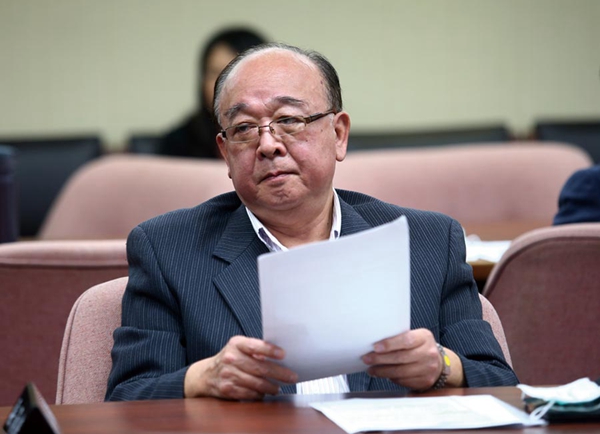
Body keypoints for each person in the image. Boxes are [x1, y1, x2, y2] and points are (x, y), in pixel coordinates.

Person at [106, 43, 518, 401]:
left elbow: (502, 384)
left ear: (339, 134)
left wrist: (442, 366)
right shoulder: (168, 249)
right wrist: (202, 378)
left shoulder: (429, 241)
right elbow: (127, 399)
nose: (268, 145)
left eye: (289, 120)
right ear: (225, 153)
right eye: (245, 128)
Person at [158, 27, 267, 158]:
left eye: (233, 74)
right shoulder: (178, 142)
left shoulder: (278, 134)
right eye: (215, 73)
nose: (223, 84)